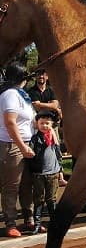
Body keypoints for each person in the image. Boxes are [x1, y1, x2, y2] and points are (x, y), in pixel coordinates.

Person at [1, 63, 35, 237]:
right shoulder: (10, 95)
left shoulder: (22, 95)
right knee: (12, 185)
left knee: (27, 184)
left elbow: (28, 120)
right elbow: (10, 122)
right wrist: (22, 146)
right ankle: (10, 223)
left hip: (27, 143)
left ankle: (29, 219)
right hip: (12, 145)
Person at [26, 111, 63, 235]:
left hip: (53, 173)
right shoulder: (35, 139)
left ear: (51, 124)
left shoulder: (54, 138)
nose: (44, 126)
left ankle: (54, 223)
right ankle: (37, 224)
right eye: (42, 123)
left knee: (51, 199)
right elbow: (31, 155)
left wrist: (60, 170)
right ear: (37, 124)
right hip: (39, 174)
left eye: (47, 123)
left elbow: (58, 154)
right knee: (39, 199)